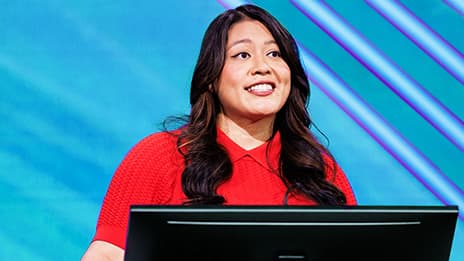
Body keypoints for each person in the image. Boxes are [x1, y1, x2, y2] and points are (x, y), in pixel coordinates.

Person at [81, 4, 357, 260]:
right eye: (242, 55)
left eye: (274, 54)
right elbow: (106, 254)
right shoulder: (159, 156)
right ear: (211, 79)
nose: (263, 67)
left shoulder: (320, 170)